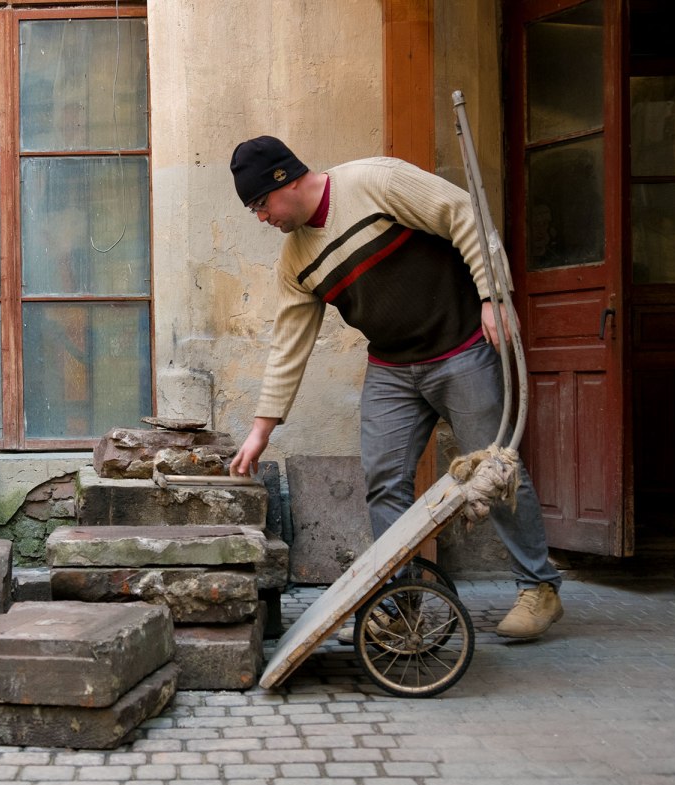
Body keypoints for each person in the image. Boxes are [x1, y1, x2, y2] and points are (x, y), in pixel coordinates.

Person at [226, 135, 563, 640]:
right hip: (391, 369)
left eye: (260, 203)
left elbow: (462, 213)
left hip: (461, 347)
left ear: (286, 179)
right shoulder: (296, 262)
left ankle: (539, 588)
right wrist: (260, 430)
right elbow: (288, 346)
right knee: (385, 482)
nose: (261, 217)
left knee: (495, 465)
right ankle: (398, 603)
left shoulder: (374, 181)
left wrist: (494, 295)